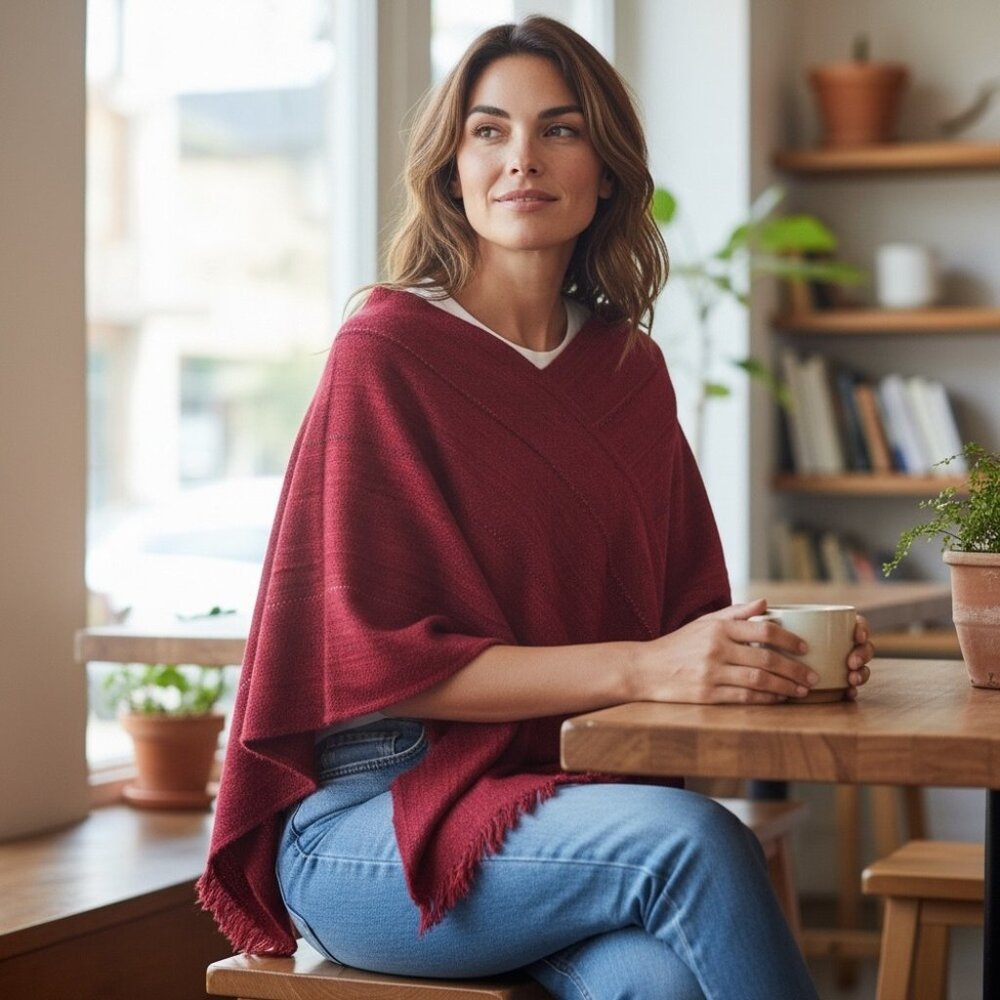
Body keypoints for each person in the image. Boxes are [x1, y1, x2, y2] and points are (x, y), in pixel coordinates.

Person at [198, 16, 874, 1000]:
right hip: (372, 822)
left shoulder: (629, 371)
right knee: (692, 843)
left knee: (659, 984)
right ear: (450, 169)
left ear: (606, 171)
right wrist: (646, 663)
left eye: (558, 130)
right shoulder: (383, 352)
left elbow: (678, 622)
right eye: (488, 130)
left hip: (565, 806)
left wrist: (775, 661)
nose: (522, 158)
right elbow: (370, 664)